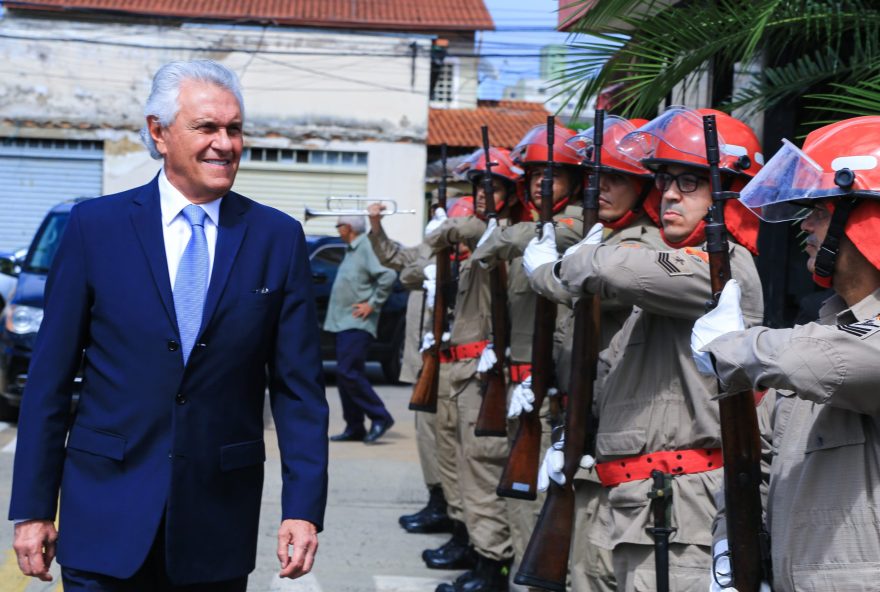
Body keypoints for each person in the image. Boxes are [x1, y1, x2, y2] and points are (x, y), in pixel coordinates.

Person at [8, 60, 328, 590]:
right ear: (159, 133)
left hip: (216, 524)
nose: (225, 144)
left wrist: (303, 509)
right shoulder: (96, 228)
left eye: (235, 128)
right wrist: (34, 509)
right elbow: (49, 381)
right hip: (103, 516)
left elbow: (299, 392)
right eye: (207, 128)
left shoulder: (276, 237)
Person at [552, 107, 765, 590]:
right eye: (666, 180)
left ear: (729, 194)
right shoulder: (669, 282)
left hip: (679, 510)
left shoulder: (722, 267)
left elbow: (616, 270)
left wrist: (579, 257)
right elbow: (608, 373)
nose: (669, 193)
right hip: (633, 502)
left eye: (689, 182)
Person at [694, 116, 880, 591]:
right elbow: (755, 461)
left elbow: (831, 360)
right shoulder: (818, 332)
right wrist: (728, 546)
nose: (808, 226)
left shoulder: (815, 349)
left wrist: (734, 346)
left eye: (820, 209)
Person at [523, 116, 666, 591]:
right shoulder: (603, 240)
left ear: (644, 187)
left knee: (597, 566)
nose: (600, 189)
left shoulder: (643, 246)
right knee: (576, 560)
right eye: (596, 178)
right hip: (580, 412)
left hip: (616, 422)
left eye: (617, 180)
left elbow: (591, 288)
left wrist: (546, 270)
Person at [425, 170, 518, 592]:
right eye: (478, 187)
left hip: (485, 376)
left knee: (482, 472)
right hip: (463, 373)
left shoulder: (495, 232)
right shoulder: (482, 236)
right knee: (464, 467)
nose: (483, 195)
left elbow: (463, 229)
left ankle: (491, 564)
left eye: (493, 187)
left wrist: (446, 225)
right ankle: (477, 552)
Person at [366, 201, 454, 534]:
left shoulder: (453, 255)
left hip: (444, 362)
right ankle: (437, 500)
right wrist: (376, 226)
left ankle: (444, 505)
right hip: (424, 362)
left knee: (438, 439)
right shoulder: (428, 250)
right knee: (426, 437)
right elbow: (392, 257)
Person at [325, 214, 397, 444]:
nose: (337, 230)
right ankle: (354, 426)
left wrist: (372, 304)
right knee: (345, 375)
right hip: (343, 322)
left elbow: (388, 275)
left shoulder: (365, 246)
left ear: (348, 227)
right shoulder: (351, 249)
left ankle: (380, 416)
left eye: (339, 226)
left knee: (349, 373)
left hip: (356, 323)